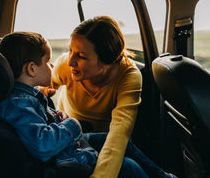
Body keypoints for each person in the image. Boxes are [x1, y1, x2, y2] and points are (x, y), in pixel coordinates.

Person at [0, 31, 149, 178]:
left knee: (118, 143)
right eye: (48, 61)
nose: (54, 66)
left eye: (81, 56)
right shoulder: (19, 103)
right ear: (32, 69)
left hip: (68, 146)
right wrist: (72, 124)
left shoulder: (28, 96)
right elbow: (43, 145)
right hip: (67, 158)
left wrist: (57, 117)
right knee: (129, 166)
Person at [47, 16, 177, 178]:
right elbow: (37, 87)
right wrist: (45, 91)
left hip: (107, 138)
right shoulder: (65, 66)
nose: (71, 61)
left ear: (106, 62)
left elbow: (119, 133)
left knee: (126, 154)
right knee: (129, 165)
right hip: (73, 136)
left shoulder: (128, 76)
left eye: (81, 55)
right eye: (70, 50)